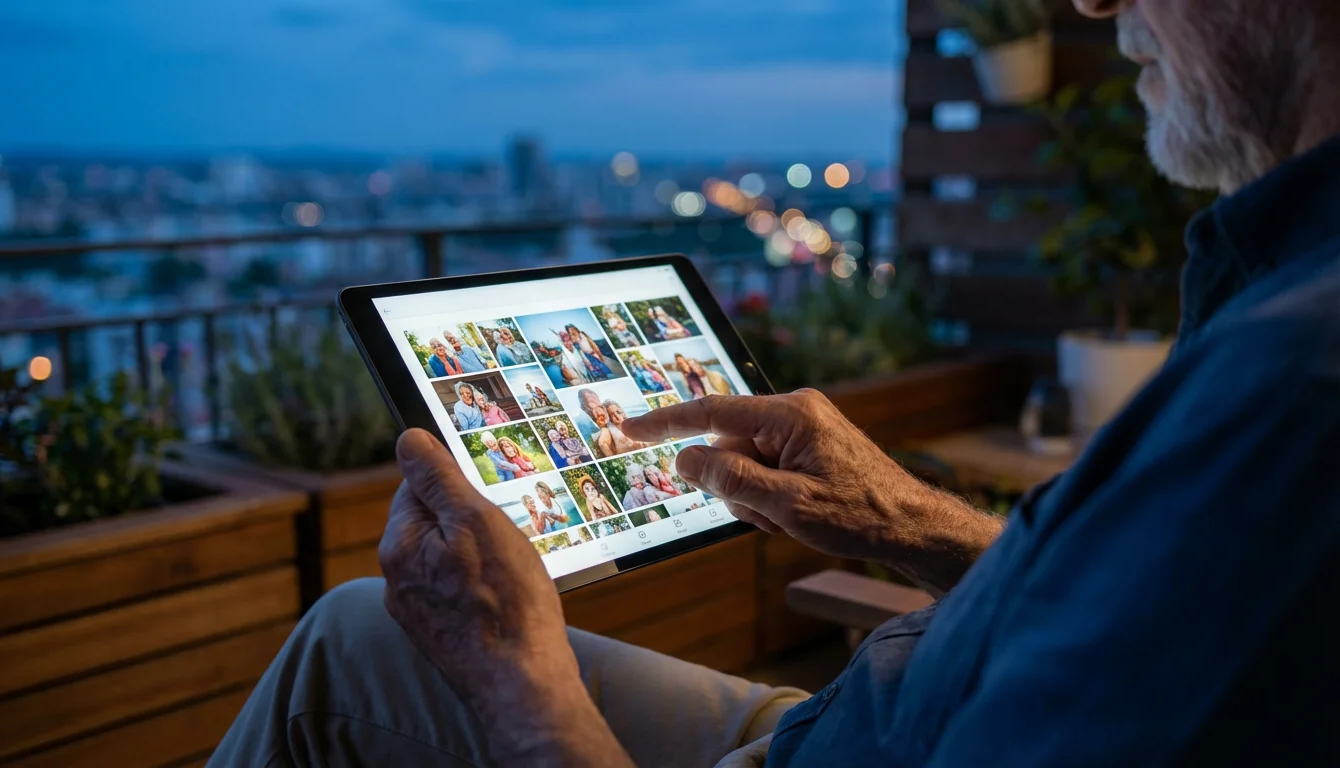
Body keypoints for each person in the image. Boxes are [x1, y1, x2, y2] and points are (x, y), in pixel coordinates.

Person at [212, 2, 1340, 765]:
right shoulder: (1283, 312)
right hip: (883, 709)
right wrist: (906, 520)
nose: (1089, 2)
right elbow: (1130, 621)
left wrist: (516, 677)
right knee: (356, 628)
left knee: (350, 644)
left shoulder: (1289, 382)